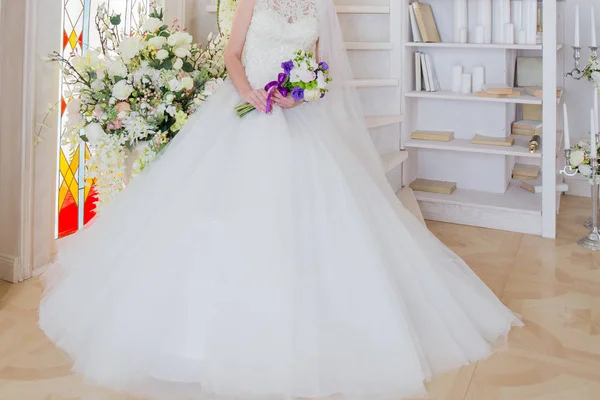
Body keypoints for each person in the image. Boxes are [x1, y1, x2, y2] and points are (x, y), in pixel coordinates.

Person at [39, 0, 522, 399]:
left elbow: (316, 67)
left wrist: (299, 93)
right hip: (243, 110)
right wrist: (249, 93)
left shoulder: (317, 8)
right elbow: (232, 54)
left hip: (294, 116)